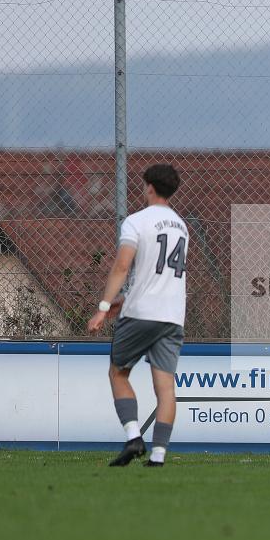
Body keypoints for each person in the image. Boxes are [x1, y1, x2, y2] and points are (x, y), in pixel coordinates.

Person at [87, 164, 189, 467]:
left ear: (149, 187)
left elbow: (123, 266)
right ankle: (159, 455)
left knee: (118, 372)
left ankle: (133, 437)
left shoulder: (136, 222)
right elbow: (161, 276)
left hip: (141, 312)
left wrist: (104, 307)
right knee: (166, 387)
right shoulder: (181, 226)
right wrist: (125, 298)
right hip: (172, 315)